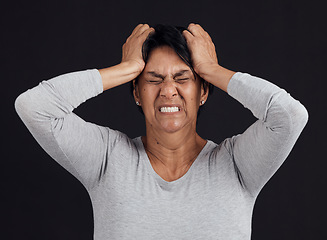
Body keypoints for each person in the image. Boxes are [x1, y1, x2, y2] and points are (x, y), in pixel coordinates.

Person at [15, 23, 308, 239]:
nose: (169, 90)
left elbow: (290, 116)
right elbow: (35, 106)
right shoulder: (107, 159)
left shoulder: (236, 164)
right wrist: (126, 67)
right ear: (137, 93)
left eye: (183, 78)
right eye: (153, 79)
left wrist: (211, 68)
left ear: (203, 90)